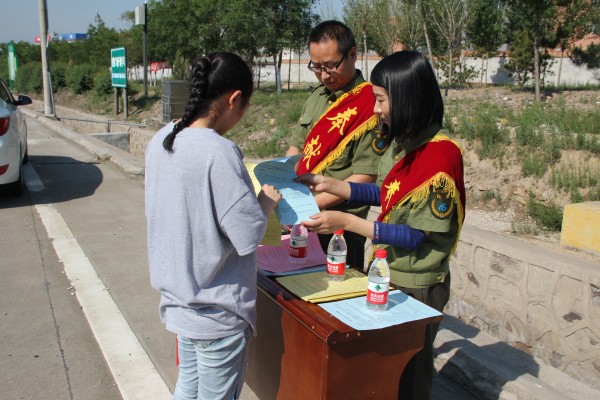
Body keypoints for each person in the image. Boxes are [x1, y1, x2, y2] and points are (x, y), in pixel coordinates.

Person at [296, 50, 465, 400]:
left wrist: (346, 221)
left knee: (411, 374)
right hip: (388, 270)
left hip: (417, 281)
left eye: (381, 100)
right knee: (387, 369)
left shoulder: (440, 156)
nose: (375, 110)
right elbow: (388, 193)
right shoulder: (403, 142)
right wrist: (334, 185)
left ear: (407, 98)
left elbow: (415, 235)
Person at [144, 52, 281, 400]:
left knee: (187, 390)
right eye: (244, 108)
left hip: (180, 305)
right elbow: (247, 234)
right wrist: (265, 201)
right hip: (217, 314)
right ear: (234, 99)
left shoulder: (162, 139)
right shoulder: (219, 152)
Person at [286, 20, 387, 271]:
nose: (324, 75)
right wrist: (285, 188)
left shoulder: (370, 105)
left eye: (331, 66)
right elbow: (296, 148)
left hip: (340, 225)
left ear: (352, 54)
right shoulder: (317, 96)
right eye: (316, 67)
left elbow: (366, 175)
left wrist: (311, 207)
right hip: (301, 216)